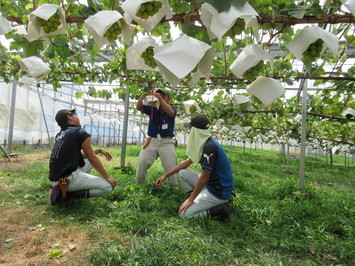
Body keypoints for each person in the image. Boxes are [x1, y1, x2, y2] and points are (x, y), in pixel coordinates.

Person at [155, 114, 234, 221]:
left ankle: (221, 209)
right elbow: (186, 163)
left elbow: (205, 176)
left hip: (218, 191)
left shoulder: (210, 147)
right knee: (182, 173)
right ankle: (196, 199)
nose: (190, 131)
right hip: (212, 185)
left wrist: (190, 200)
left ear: (196, 131)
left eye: (191, 129)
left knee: (184, 215)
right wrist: (165, 175)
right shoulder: (205, 143)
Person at [49, 108, 116, 204]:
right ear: (69, 117)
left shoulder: (60, 134)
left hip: (54, 179)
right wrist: (108, 178)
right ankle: (67, 194)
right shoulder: (79, 132)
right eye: (75, 114)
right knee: (108, 187)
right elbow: (92, 158)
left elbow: (78, 154)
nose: (78, 116)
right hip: (67, 179)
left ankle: (62, 188)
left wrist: (99, 150)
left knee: (87, 161)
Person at [136, 89, 178, 186]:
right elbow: (139, 108)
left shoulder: (172, 109)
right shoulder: (152, 108)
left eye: (163, 96)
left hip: (166, 142)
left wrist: (160, 100)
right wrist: (141, 99)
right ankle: (139, 185)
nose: (160, 98)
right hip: (152, 140)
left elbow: (171, 113)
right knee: (142, 162)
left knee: (171, 166)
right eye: (159, 96)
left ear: (168, 99)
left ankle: (173, 188)